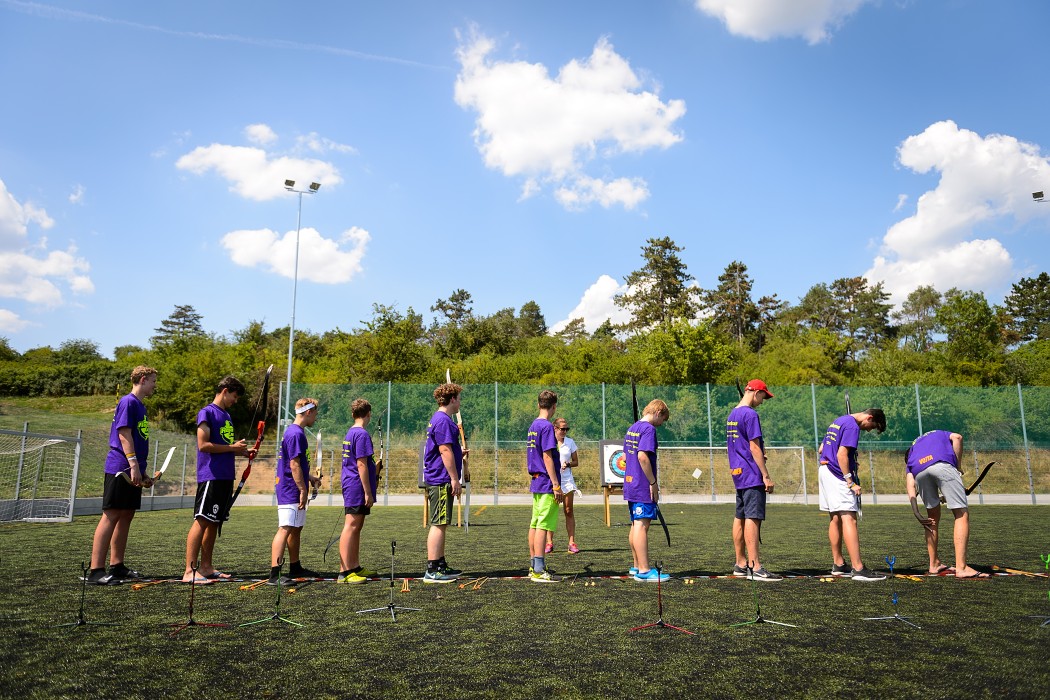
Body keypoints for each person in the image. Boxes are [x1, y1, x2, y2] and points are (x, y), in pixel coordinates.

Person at [88, 365, 158, 584]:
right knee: (112, 514)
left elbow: (137, 437)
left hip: (133, 467)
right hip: (120, 466)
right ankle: (96, 570)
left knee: (127, 513)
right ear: (143, 379)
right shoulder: (128, 401)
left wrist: (143, 472)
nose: (155, 385)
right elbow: (124, 433)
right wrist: (133, 465)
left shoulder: (140, 406)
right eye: (153, 381)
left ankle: (117, 565)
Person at [183, 376, 248, 584]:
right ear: (225, 390)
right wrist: (232, 448)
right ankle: (189, 571)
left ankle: (206, 567)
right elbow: (203, 445)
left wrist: (242, 452)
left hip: (225, 476)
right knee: (202, 520)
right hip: (211, 476)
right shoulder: (207, 412)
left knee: (213, 523)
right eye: (234, 396)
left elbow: (223, 447)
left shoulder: (226, 416)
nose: (235, 401)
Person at [904, 430, 988, 578]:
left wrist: (916, 512)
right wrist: (957, 467)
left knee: (932, 519)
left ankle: (934, 564)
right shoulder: (937, 434)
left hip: (919, 472)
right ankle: (961, 568)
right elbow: (958, 437)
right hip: (942, 464)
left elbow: (910, 484)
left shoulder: (912, 455)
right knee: (961, 514)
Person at [818, 407, 888, 581]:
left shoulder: (838, 421)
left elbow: (822, 449)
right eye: (872, 426)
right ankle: (858, 568)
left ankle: (839, 564)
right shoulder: (852, 426)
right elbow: (842, 454)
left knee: (835, 518)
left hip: (825, 469)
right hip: (837, 474)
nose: (869, 429)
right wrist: (850, 481)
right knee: (849, 517)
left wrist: (850, 461)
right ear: (869, 417)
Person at [725, 379, 780, 581]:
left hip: (738, 472)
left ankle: (740, 563)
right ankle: (755, 566)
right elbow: (754, 447)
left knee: (739, 517)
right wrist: (766, 475)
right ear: (755, 392)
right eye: (763, 396)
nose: (763, 401)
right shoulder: (750, 414)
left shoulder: (733, 414)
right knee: (753, 517)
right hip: (751, 473)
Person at [268, 397, 322, 585]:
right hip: (290, 488)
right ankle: (274, 574)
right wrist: (302, 489)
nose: (315, 418)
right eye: (314, 414)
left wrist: (310, 478)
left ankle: (295, 566)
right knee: (285, 528)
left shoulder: (297, 432)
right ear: (308, 412)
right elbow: (293, 464)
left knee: (296, 528)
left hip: (295, 486)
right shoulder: (295, 434)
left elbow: (298, 464)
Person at [421, 383, 468, 583]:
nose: (460, 402)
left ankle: (440, 564)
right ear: (452, 400)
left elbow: (449, 448)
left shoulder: (442, 420)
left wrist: (459, 453)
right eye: (458, 398)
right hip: (441, 479)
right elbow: (444, 451)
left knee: (443, 522)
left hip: (441, 477)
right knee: (438, 523)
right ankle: (432, 569)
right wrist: (455, 478)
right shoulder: (443, 421)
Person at [624, 399, 671, 582]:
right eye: (663, 419)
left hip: (631, 483)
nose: (661, 424)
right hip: (642, 485)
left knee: (636, 524)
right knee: (642, 525)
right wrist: (653, 483)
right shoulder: (648, 429)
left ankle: (636, 566)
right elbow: (642, 456)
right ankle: (644, 570)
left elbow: (627, 458)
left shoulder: (632, 428)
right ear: (658, 412)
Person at [337, 398, 381, 584]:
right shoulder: (361, 434)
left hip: (353, 484)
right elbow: (361, 465)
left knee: (357, 527)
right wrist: (368, 492)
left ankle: (354, 566)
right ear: (368, 414)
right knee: (351, 526)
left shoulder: (351, 432)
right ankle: (344, 571)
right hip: (356, 486)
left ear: (353, 414)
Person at [526, 389, 564, 583]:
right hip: (546, 482)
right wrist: (556, 485)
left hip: (536, 480)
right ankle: (539, 569)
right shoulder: (547, 426)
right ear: (554, 406)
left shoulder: (533, 425)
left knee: (535, 523)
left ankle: (534, 565)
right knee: (543, 524)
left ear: (539, 404)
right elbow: (547, 456)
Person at [545, 417, 581, 555]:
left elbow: (576, 461)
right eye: (562, 429)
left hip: (567, 481)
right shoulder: (550, 441)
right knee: (551, 512)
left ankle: (571, 542)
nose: (565, 431)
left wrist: (568, 464)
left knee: (568, 510)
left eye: (567, 429)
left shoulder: (570, 442)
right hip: (553, 480)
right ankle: (549, 543)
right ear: (555, 428)